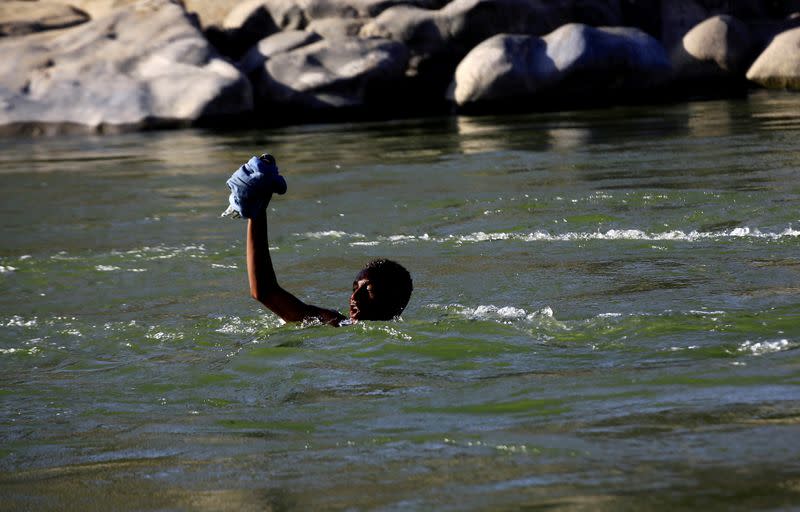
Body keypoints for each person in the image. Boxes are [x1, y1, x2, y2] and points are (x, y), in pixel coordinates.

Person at [244, 162, 413, 326]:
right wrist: (257, 208)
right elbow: (265, 291)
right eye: (354, 288)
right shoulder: (333, 321)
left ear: (393, 302)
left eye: (368, 290)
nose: (354, 297)